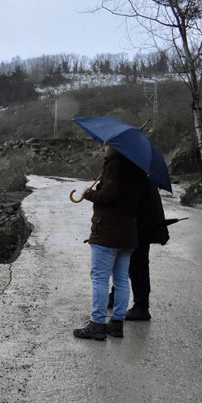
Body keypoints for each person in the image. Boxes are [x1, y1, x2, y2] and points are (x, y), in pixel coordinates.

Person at [73, 143, 147, 340]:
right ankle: (116, 324)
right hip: (128, 233)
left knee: (100, 278)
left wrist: (89, 193)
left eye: (106, 145)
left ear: (116, 147)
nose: (103, 148)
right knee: (122, 279)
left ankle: (97, 324)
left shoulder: (115, 166)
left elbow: (108, 195)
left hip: (107, 232)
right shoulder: (138, 169)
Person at [108, 182, 170, 320]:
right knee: (124, 261)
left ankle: (141, 307)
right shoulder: (138, 170)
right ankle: (117, 297)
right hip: (139, 222)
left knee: (137, 264)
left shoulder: (134, 171)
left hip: (140, 225)